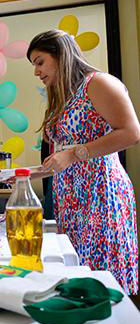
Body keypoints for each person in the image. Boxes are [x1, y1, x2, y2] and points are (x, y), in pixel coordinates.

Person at [28, 30, 140, 295]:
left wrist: (73, 154)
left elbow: (131, 133)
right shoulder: (61, 98)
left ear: (61, 55)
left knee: (105, 281)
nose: (36, 71)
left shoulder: (98, 83)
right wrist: (27, 175)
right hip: (71, 201)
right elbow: (62, 157)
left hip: (101, 196)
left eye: (40, 61)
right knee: (80, 280)